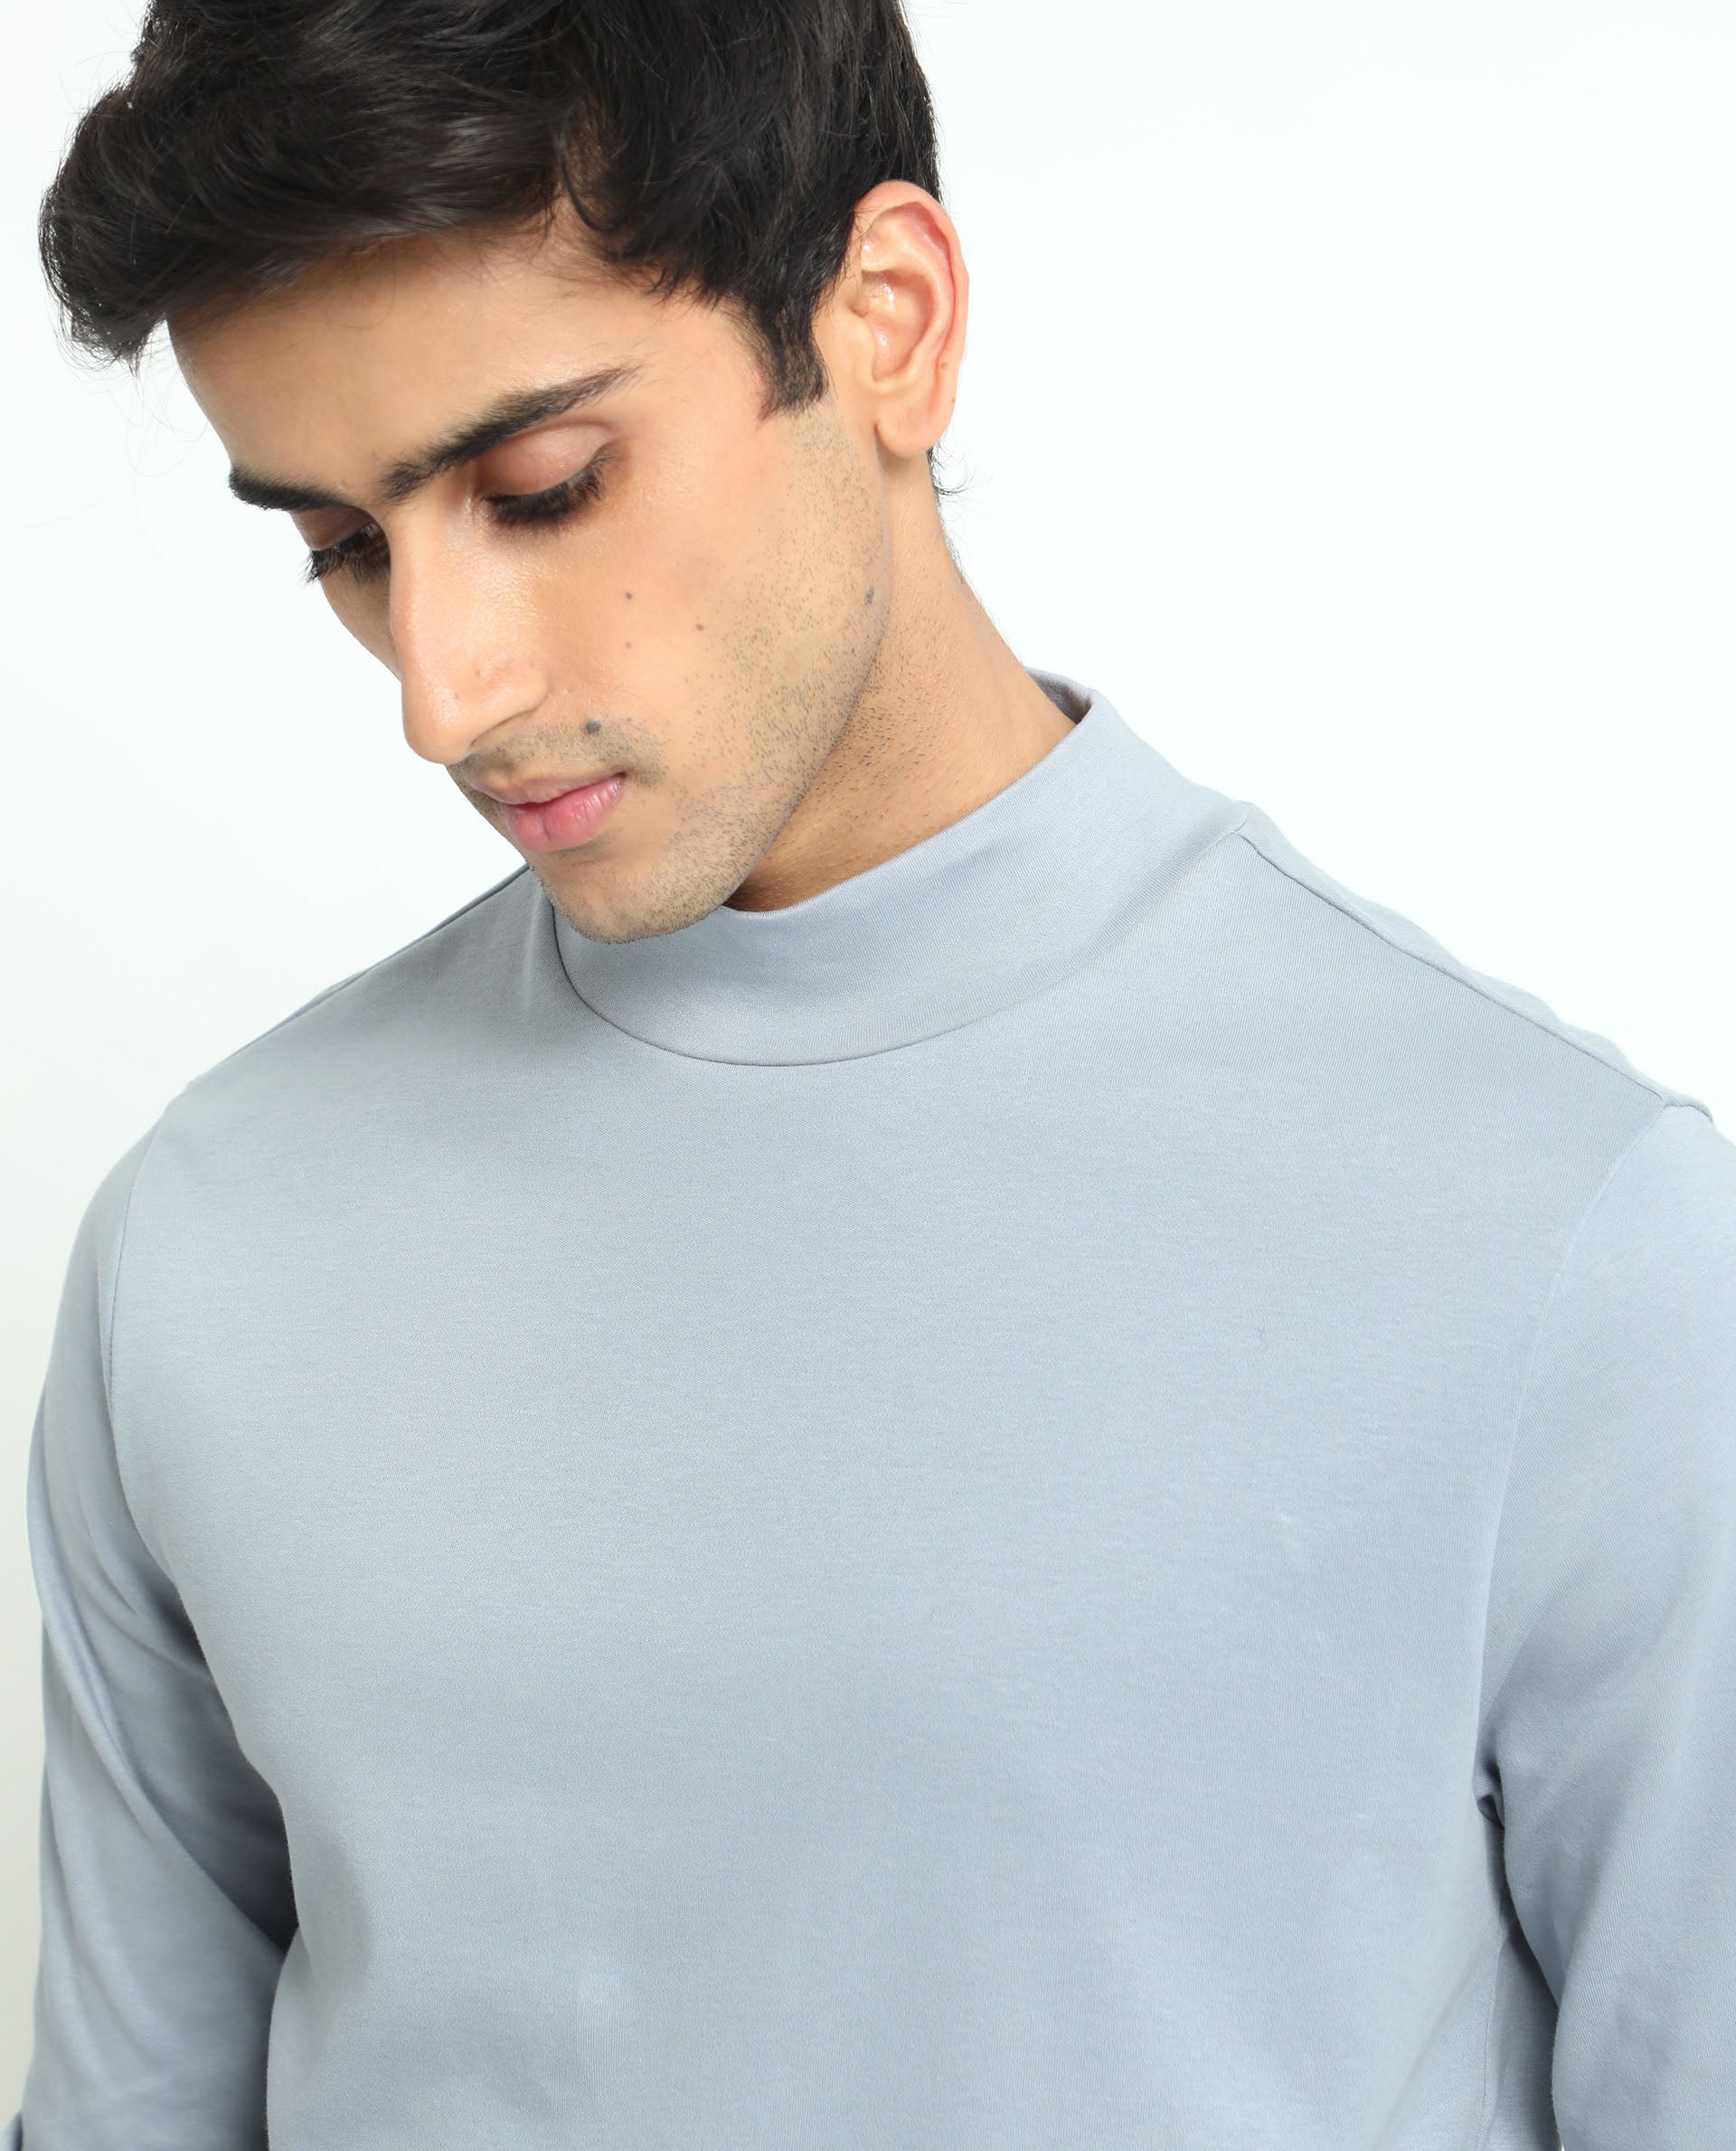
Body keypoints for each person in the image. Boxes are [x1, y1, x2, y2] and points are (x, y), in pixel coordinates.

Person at [11, 2, 1732, 2145]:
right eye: (343, 545)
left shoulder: (1565, 1243)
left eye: (539, 488)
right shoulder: (209, 1240)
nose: (443, 692)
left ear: (889, 321)